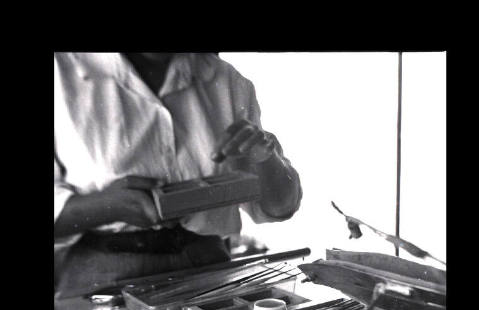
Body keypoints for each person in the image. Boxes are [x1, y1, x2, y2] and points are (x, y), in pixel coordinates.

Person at [54, 52, 302, 293]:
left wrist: (266, 158)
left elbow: (280, 207)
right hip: (102, 272)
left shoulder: (226, 79)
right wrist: (107, 206)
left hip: (209, 266)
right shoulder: (62, 72)